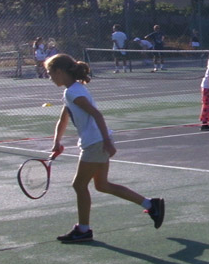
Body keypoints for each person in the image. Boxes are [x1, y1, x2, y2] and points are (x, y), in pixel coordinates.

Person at [46, 53, 164, 243]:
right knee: (102, 185)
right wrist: (57, 143)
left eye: (50, 73)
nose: (49, 77)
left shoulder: (73, 92)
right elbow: (64, 118)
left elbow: (97, 115)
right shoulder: (72, 91)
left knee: (79, 185)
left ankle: (83, 230)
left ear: (59, 71)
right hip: (96, 141)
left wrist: (107, 142)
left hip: (95, 142)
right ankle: (151, 204)